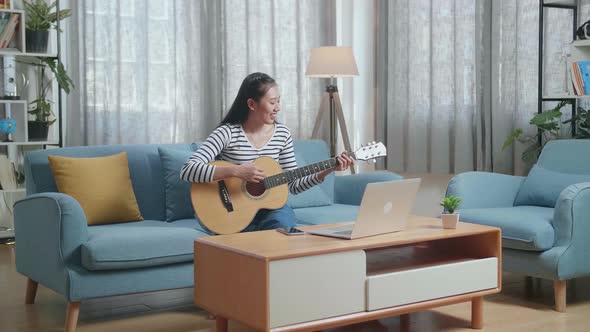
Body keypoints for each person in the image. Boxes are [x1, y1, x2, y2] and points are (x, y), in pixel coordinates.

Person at [180, 72, 353, 233]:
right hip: (231, 211)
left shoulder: (282, 134)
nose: (278, 108)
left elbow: (293, 185)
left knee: (284, 232)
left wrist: (328, 169)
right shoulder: (227, 133)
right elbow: (187, 170)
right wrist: (235, 171)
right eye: (272, 102)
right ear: (251, 104)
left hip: (272, 210)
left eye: (279, 101)